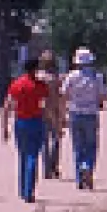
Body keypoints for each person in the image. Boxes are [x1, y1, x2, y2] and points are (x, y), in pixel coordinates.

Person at [3, 58, 49, 203]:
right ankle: (29, 190)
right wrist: (54, 122)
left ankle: (22, 189)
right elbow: (45, 107)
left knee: (22, 156)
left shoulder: (16, 84)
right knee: (32, 156)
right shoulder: (40, 86)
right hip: (36, 121)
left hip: (20, 122)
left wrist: (4, 126)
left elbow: (7, 106)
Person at [60, 49, 106, 190]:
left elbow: (64, 94)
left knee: (78, 147)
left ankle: (80, 177)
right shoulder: (97, 76)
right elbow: (101, 95)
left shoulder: (71, 76)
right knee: (91, 145)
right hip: (91, 113)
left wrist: (64, 112)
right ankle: (88, 167)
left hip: (75, 112)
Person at [36, 51, 66, 180]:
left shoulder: (37, 77)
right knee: (56, 139)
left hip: (39, 111)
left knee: (44, 142)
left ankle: (46, 168)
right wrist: (62, 116)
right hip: (53, 111)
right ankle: (54, 166)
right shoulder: (56, 79)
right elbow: (60, 98)